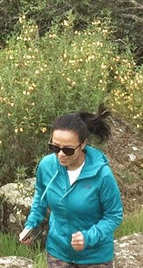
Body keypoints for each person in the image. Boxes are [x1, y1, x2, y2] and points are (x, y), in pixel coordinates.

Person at [19, 108, 123, 268]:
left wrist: (88, 237)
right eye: (55, 147)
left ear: (83, 144)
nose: (60, 154)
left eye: (68, 150)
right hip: (58, 254)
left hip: (95, 258)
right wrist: (31, 225)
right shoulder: (46, 166)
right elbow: (41, 197)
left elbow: (114, 215)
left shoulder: (102, 175)